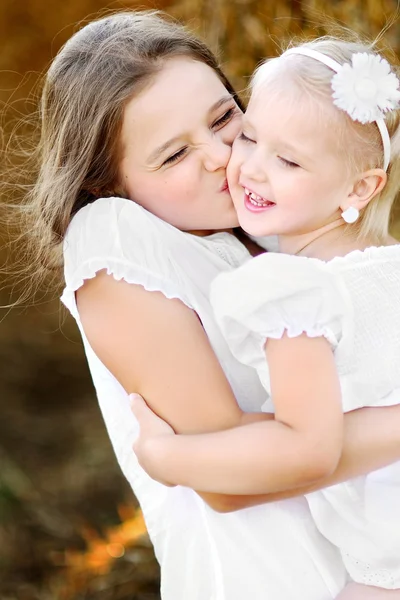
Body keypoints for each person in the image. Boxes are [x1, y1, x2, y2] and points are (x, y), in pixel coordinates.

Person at [12, 10, 400, 599]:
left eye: (226, 119)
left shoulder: (268, 234)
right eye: (173, 155)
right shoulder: (113, 237)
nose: (223, 157)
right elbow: (233, 482)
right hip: (267, 577)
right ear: (106, 185)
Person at [129, 37, 400, 598]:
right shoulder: (384, 267)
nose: (251, 168)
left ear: (360, 187)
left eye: (289, 159)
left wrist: (168, 456)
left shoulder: (297, 291)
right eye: (250, 136)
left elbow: (303, 443)